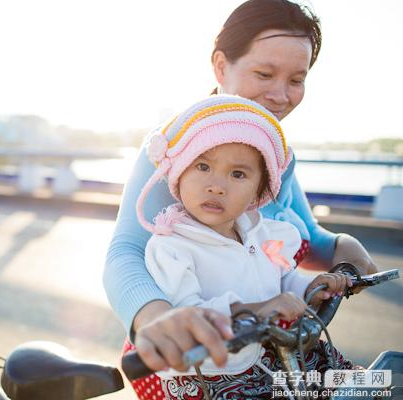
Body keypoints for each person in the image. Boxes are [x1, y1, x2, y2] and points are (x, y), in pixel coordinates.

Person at [103, 0, 378, 397]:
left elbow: (304, 235)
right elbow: (126, 250)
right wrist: (157, 319)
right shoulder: (181, 146)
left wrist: (342, 247)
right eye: (264, 73)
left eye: (296, 79)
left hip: (276, 350)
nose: (281, 95)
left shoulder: (278, 154)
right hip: (200, 357)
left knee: (373, 385)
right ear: (220, 67)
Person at [132, 94, 353, 399]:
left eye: (238, 174)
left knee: (350, 381)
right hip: (210, 373)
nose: (216, 185)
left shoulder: (260, 233)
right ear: (178, 174)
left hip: (263, 355)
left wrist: (311, 285)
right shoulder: (170, 246)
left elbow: (281, 277)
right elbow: (187, 314)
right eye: (202, 167)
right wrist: (257, 309)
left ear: (257, 193)